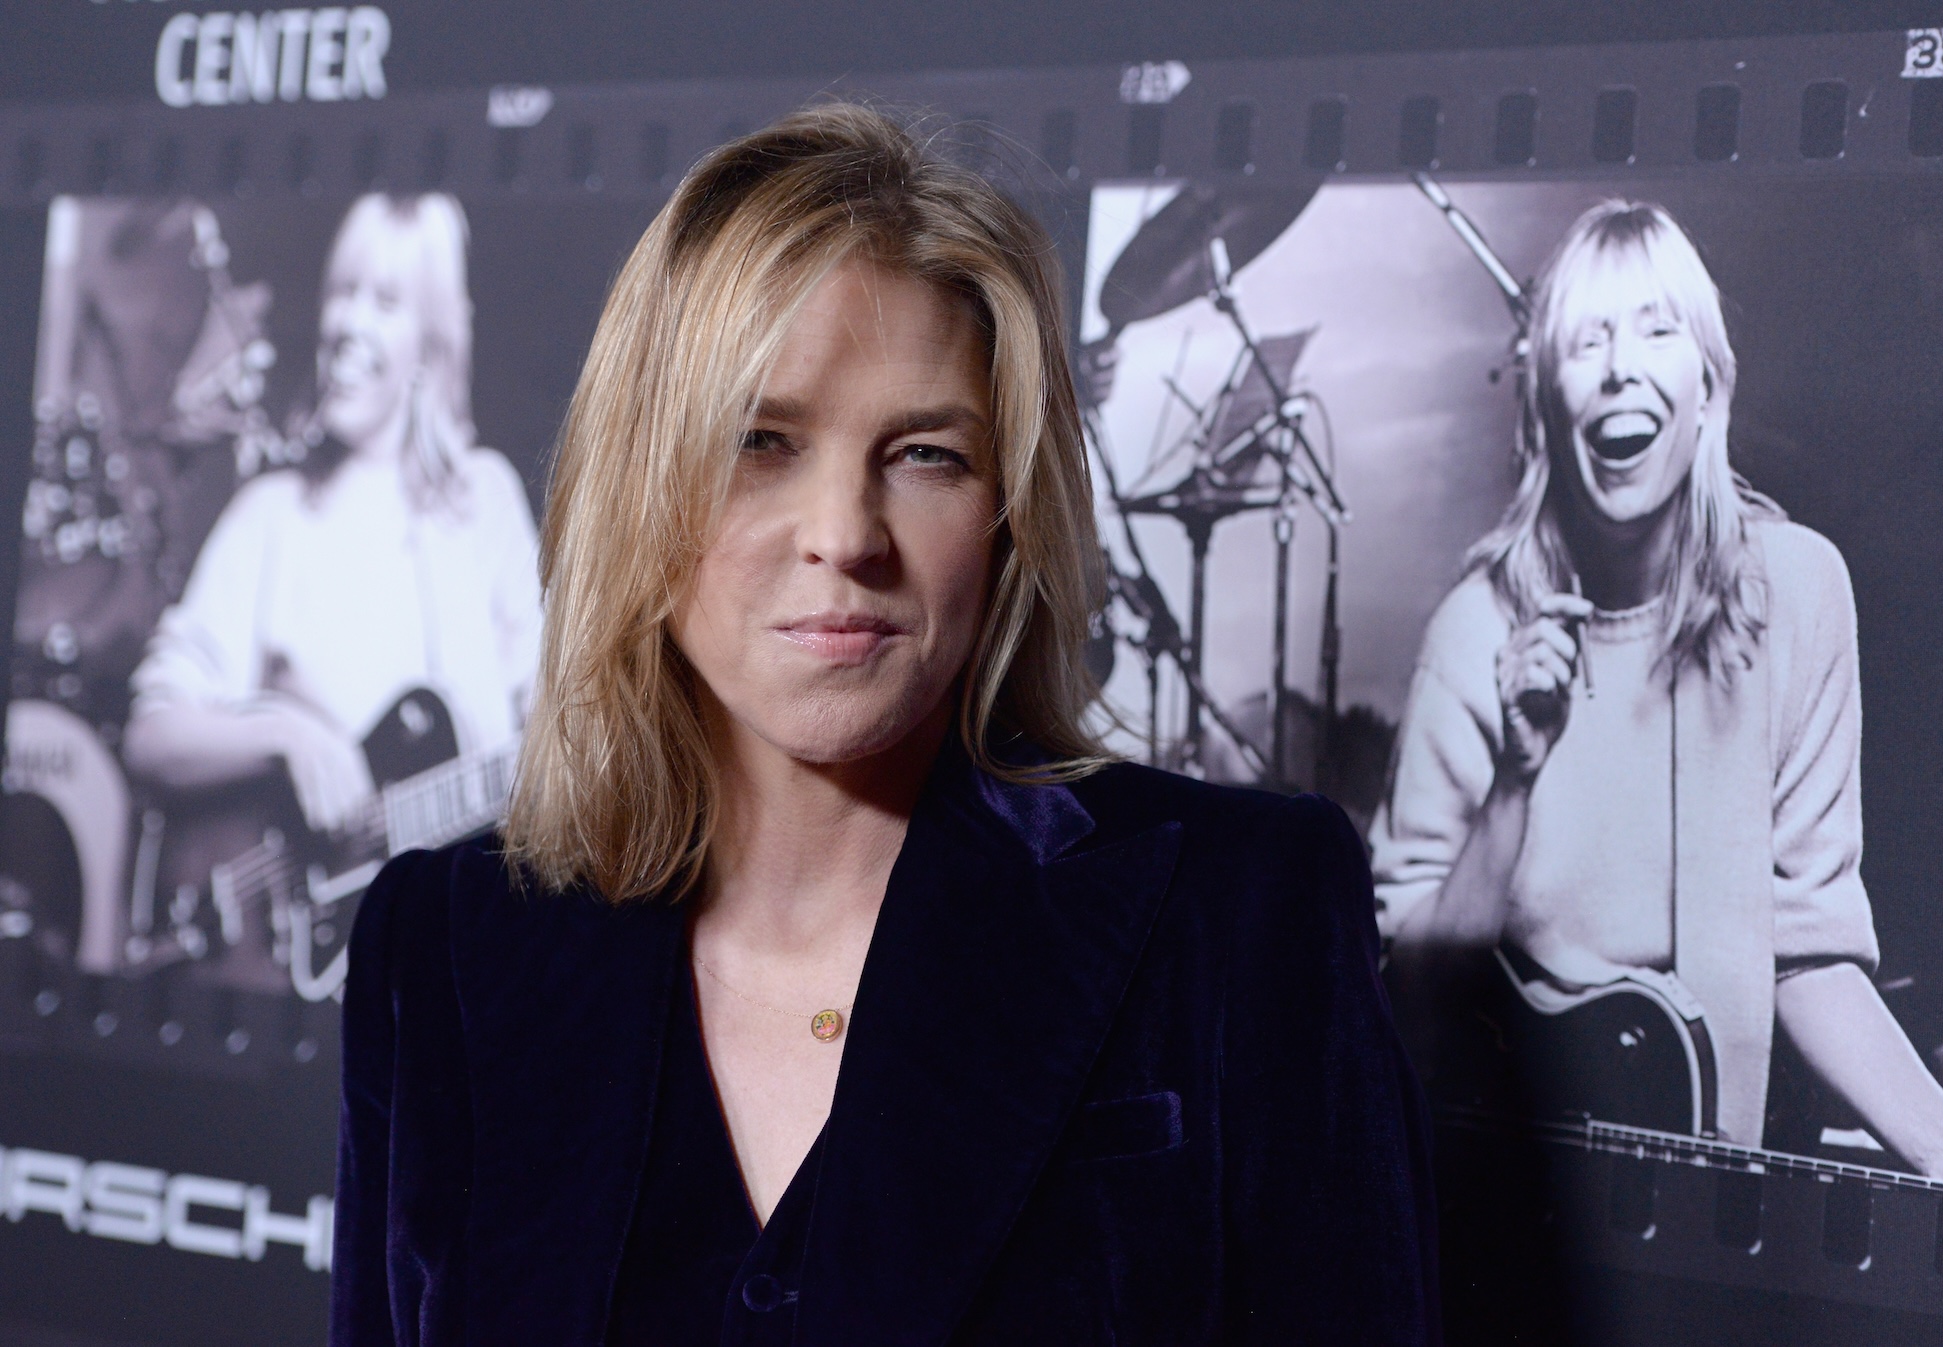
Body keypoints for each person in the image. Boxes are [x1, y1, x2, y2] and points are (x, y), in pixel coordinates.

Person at [330, 104, 1437, 1345]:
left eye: (923, 455)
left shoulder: (1244, 912)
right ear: (637, 484)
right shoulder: (443, 949)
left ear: (1010, 513)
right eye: (760, 442)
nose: (845, 535)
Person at [1370, 199, 1943, 1182]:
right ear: (1545, 405)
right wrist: (1512, 780)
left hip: (1715, 1209)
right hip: (1519, 1209)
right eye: (1586, 341)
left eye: (1655, 329)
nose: (1620, 365)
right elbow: (1412, 998)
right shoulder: (1477, 627)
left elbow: (1807, 949)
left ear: (1705, 389)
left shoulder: (1795, 590)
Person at [123, 193, 542, 834]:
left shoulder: (484, 499)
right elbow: (152, 738)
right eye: (342, 293)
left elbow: (553, 726)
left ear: (430, 345)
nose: (348, 323)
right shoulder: (271, 516)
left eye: (385, 301)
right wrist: (285, 735)